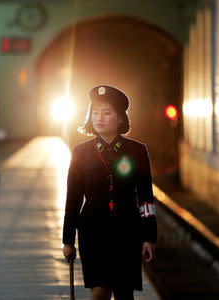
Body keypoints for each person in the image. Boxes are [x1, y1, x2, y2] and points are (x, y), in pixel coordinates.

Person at [62, 85, 157, 300]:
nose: (100, 118)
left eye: (107, 113)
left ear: (121, 118)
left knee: (125, 294)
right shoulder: (81, 152)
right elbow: (73, 199)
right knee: (99, 292)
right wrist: (68, 240)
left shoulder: (137, 151)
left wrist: (149, 237)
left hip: (127, 232)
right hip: (93, 232)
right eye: (95, 113)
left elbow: (145, 198)